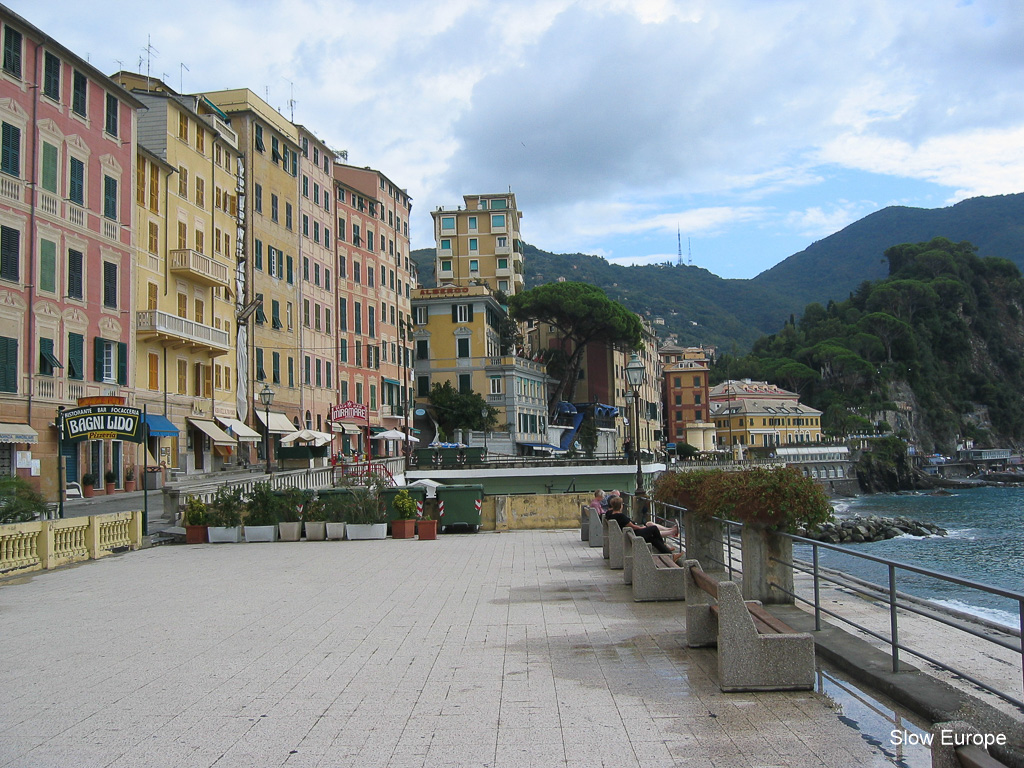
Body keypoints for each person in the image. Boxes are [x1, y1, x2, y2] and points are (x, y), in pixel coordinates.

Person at [605, 497, 680, 558]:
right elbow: (633, 526)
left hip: (629, 533)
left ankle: (669, 553)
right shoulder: (621, 516)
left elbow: (610, 512)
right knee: (654, 528)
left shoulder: (609, 514)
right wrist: (641, 527)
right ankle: (667, 543)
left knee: (653, 539)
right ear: (621, 506)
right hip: (633, 533)